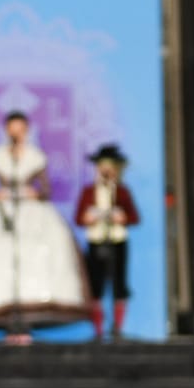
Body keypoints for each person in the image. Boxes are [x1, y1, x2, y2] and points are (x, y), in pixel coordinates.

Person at [0, 111, 91, 337]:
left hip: (31, 212)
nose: (16, 133)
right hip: (2, 213)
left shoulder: (35, 156)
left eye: (20, 129)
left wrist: (33, 192)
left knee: (34, 257)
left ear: (27, 131)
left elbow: (45, 190)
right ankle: (6, 317)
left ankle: (27, 318)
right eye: (12, 129)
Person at [76, 143, 140, 339]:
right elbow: (78, 218)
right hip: (96, 242)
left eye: (109, 165)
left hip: (117, 241)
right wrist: (89, 218)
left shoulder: (121, 192)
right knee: (96, 286)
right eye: (102, 165)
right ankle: (98, 330)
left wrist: (122, 218)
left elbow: (134, 217)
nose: (105, 170)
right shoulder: (89, 192)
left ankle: (117, 329)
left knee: (119, 284)